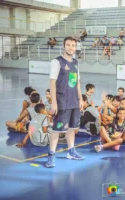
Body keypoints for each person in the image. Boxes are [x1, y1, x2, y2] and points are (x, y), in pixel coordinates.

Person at [46, 36, 85, 168]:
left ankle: (71, 151)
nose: (71, 47)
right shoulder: (57, 62)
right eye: (68, 45)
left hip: (74, 100)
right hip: (62, 101)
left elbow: (77, 82)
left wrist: (80, 98)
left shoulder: (75, 62)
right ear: (64, 46)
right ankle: (51, 155)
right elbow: (52, 82)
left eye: (73, 45)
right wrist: (54, 103)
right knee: (57, 129)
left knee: (72, 128)